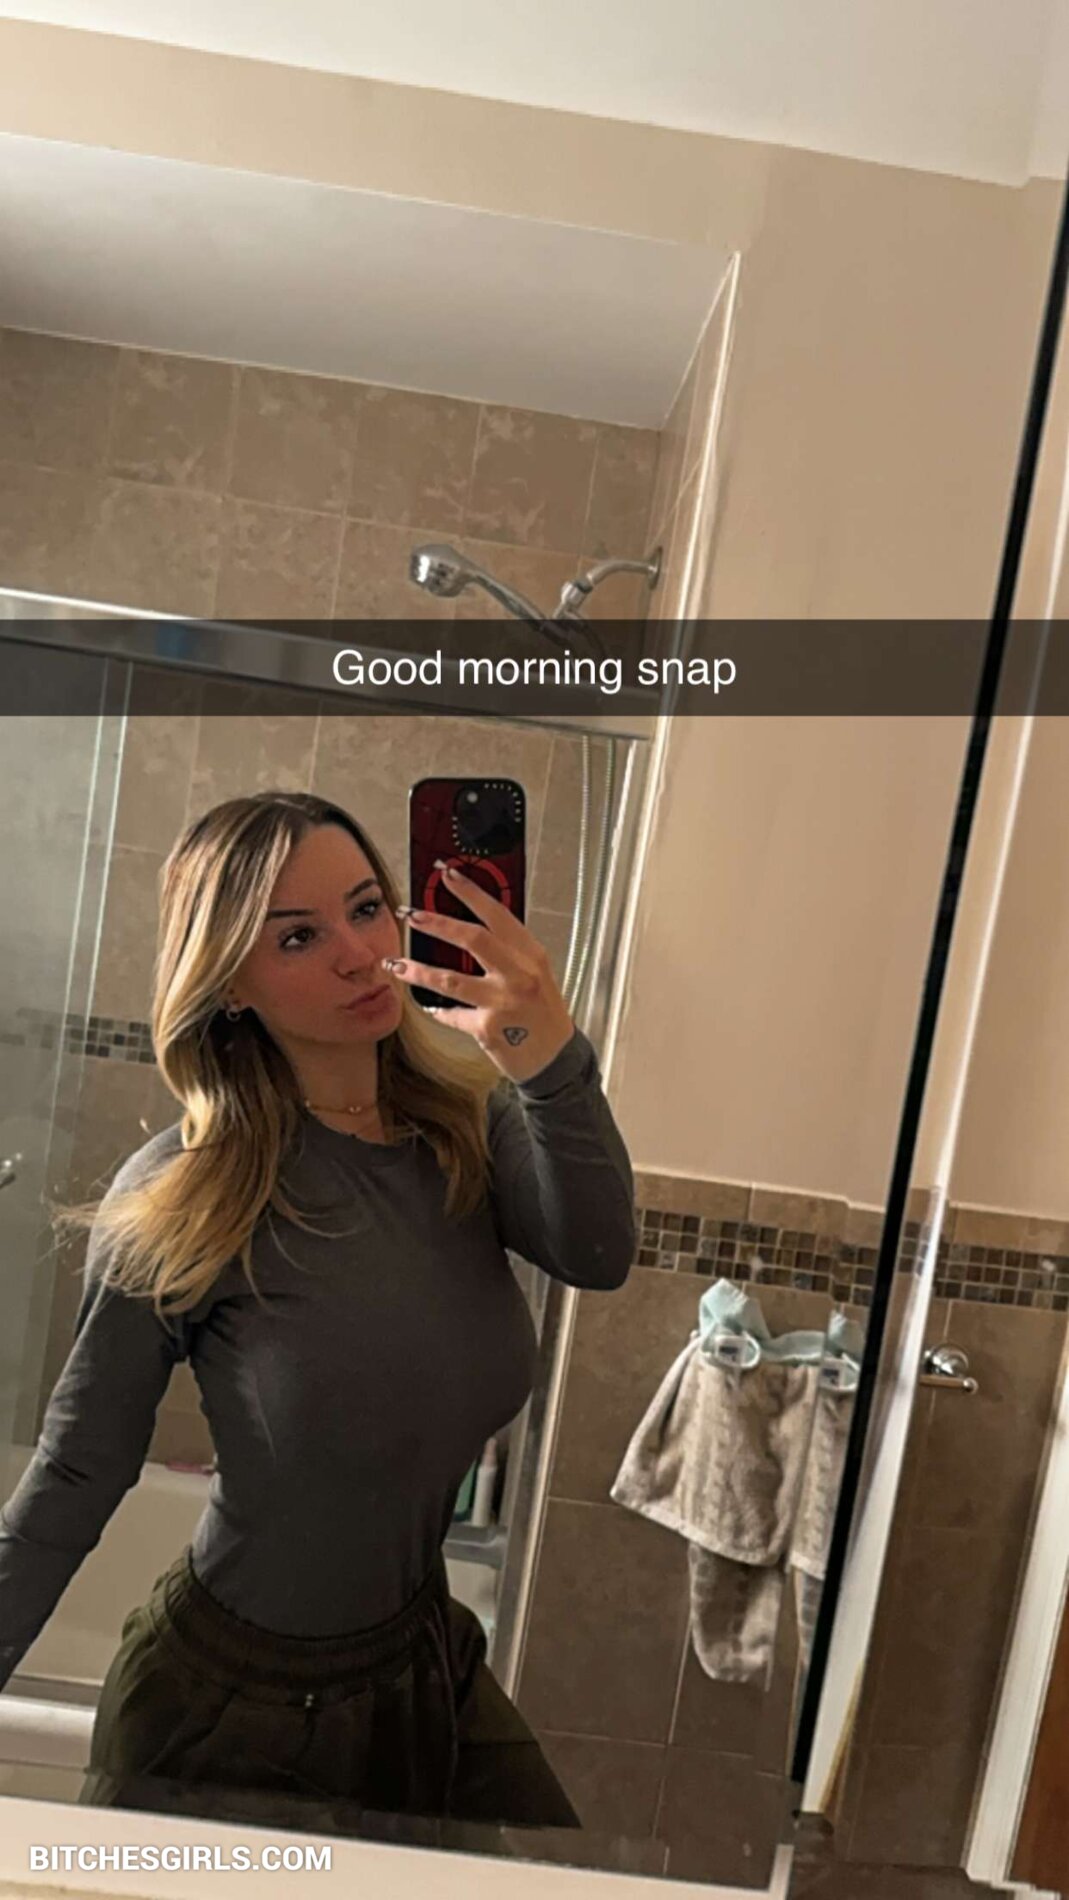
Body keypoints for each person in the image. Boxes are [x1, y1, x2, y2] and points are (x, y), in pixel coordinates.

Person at [0, 789, 636, 1839]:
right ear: (228, 982)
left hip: (419, 1672)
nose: (360, 955)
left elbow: (596, 1254)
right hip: (221, 1710)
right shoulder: (187, 1192)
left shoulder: (468, 1132)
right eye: (298, 936)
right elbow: (76, 1472)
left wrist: (544, 1054)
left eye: (368, 909)